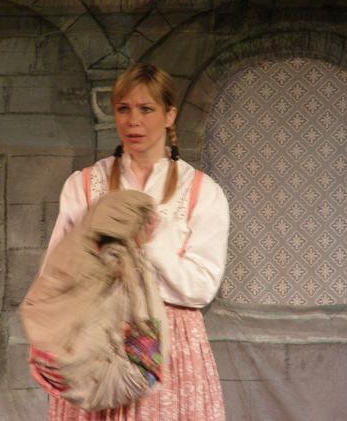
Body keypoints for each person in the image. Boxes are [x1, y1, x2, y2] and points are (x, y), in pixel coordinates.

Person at [37, 62, 229, 420]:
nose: (133, 121)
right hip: (94, 341)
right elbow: (56, 276)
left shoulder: (201, 191)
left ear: (169, 115)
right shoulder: (84, 185)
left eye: (146, 109)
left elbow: (201, 287)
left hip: (169, 346)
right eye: (123, 109)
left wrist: (146, 247)